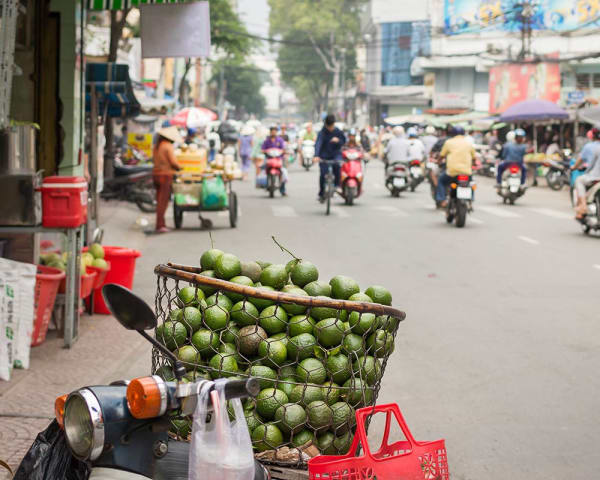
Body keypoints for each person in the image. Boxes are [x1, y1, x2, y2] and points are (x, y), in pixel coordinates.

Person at [435, 126, 476, 207]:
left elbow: (441, 156)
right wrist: (473, 164)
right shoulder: (468, 143)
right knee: (471, 183)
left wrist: (438, 161)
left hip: (452, 172)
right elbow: (474, 158)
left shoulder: (449, 142)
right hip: (466, 172)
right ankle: (471, 199)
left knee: (441, 181)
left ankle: (442, 200)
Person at [153, 127, 183, 233]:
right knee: (163, 202)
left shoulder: (157, 146)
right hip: (165, 175)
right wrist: (180, 168)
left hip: (156, 174)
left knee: (159, 201)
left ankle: (161, 224)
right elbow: (173, 162)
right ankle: (160, 225)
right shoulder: (167, 146)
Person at [314, 114, 346, 202]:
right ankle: (321, 193)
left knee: (338, 166)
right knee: (323, 174)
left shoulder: (338, 131)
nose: (330, 128)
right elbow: (318, 144)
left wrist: (338, 140)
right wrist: (316, 155)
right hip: (324, 156)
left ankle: (337, 186)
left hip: (335, 154)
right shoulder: (322, 132)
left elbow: (344, 141)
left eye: (331, 126)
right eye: (328, 126)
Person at [572, 128, 600, 218]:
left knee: (579, 180)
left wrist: (584, 171)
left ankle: (583, 206)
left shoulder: (591, 147)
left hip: (595, 176)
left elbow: (590, 165)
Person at [262, 125, 288, 195]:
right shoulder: (267, 140)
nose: (273, 133)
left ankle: (283, 190)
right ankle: (265, 184)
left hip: (278, 159)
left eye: (275, 131)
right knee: (262, 169)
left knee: (283, 172)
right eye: (272, 131)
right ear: (270, 132)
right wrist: (265, 151)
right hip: (269, 159)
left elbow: (283, 149)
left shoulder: (280, 140)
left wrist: (283, 151)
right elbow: (263, 149)